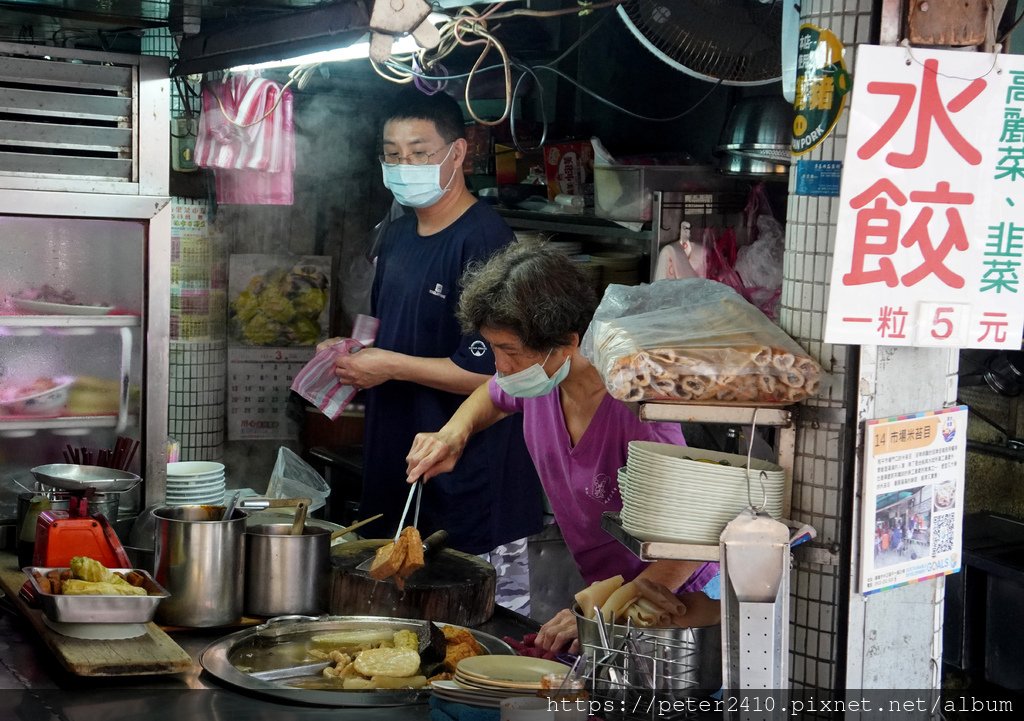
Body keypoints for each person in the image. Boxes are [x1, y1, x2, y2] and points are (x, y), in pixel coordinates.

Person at [406, 243, 719, 652]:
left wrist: (607, 608)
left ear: (568, 342)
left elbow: (698, 540)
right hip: (610, 599)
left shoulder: (640, 412)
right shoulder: (539, 381)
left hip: (679, 602)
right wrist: (454, 432)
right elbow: (493, 394)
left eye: (510, 351)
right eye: (495, 348)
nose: (499, 366)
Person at [326, 88, 544, 613]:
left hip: (468, 478)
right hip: (398, 464)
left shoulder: (486, 241)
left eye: (421, 152)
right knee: (392, 624)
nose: (406, 165)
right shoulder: (397, 237)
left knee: (474, 629)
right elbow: (391, 331)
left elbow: (500, 375)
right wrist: (355, 349)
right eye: (393, 153)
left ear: (459, 152)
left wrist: (390, 366)